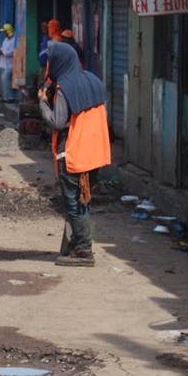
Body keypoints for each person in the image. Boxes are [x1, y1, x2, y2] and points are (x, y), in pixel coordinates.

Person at [39, 42, 111, 267]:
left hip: (74, 153)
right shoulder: (93, 80)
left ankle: (83, 250)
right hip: (95, 152)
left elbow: (57, 121)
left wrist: (42, 102)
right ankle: (76, 244)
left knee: (74, 203)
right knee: (84, 201)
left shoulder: (64, 88)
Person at [0, 23, 17, 103]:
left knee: (5, 79)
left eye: (5, 31)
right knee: (3, 80)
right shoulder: (5, 40)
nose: (4, 33)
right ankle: (5, 97)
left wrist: (3, 52)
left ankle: (10, 97)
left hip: (10, 63)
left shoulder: (14, 40)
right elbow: (2, 49)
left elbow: (12, 52)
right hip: (3, 63)